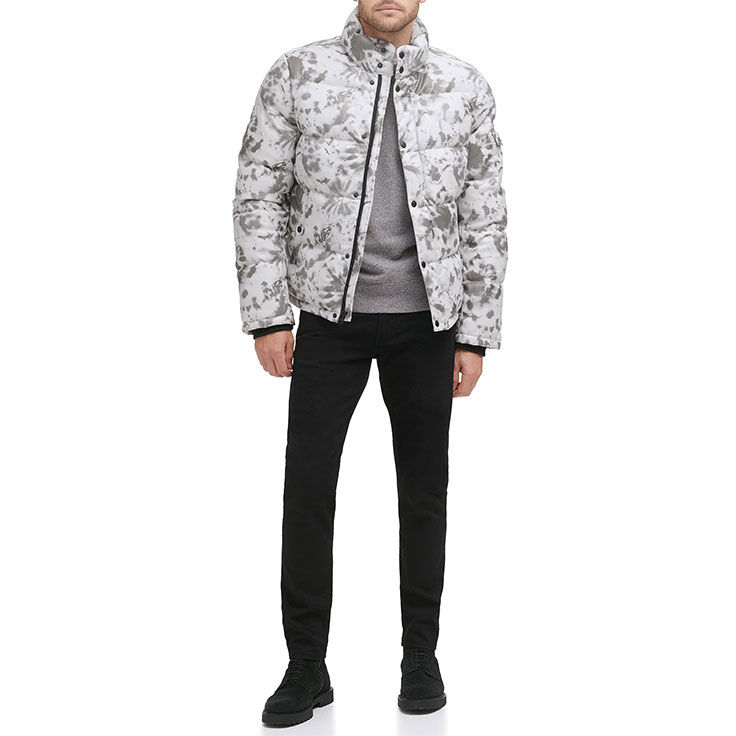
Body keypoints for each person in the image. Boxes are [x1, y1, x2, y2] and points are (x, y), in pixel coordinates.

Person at [232, 0, 508, 726]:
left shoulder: (463, 85)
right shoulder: (299, 72)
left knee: (424, 494)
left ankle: (421, 657)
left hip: (429, 324)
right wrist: (269, 314)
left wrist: (475, 334)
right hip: (330, 320)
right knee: (308, 489)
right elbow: (259, 193)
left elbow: (484, 214)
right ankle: (306, 664)